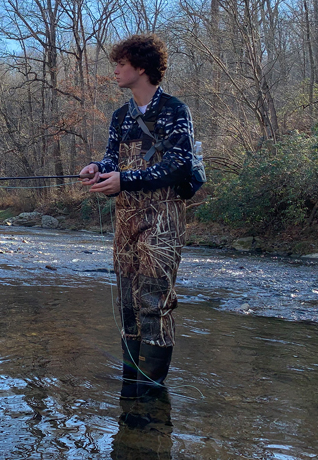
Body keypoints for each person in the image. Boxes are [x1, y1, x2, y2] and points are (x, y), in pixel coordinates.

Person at [80, 33, 195, 399]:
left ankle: (151, 395)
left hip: (163, 218)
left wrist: (126, 179)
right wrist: (99, 168)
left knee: (154, 304)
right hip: (125, 219)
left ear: (141, 67)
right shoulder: (120, 116)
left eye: (121, 64)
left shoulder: (175, 110)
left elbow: (179, 165)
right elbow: (113, 158)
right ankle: (131, 391)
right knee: (128, 303)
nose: (114, 70)